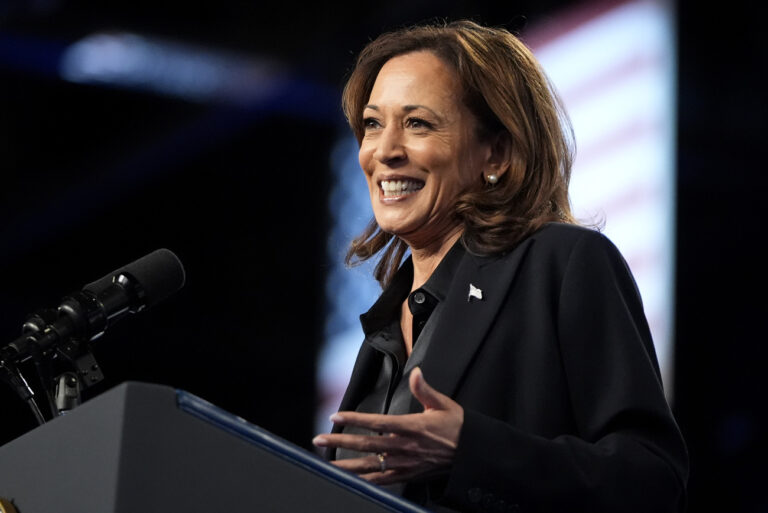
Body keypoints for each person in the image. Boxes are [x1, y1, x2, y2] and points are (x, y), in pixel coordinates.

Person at [312, 20, 688, 513]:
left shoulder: (563, 263)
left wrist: (473, 451)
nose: (384, 151)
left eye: (418, 123)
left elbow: (652, 478)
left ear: (497, 152)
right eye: (373, 124)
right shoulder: (383, 327)